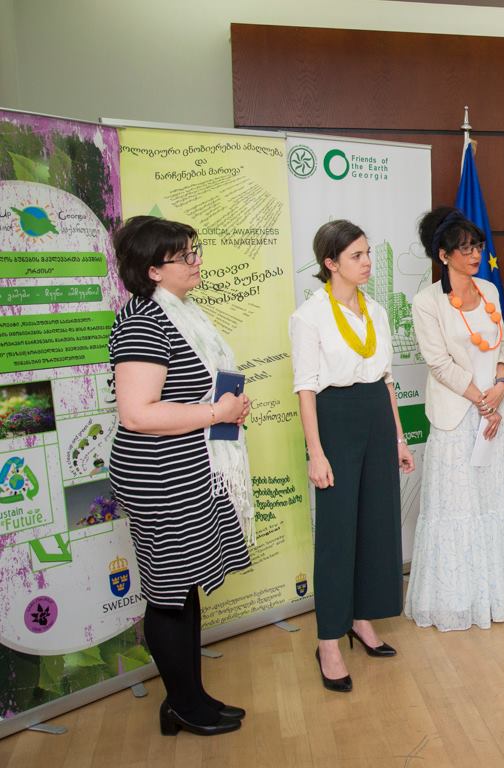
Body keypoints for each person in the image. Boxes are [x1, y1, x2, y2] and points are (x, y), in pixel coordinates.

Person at [108, 215, 253, 736]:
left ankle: (189, 697)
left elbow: (192, 392)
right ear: (153, 270)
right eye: (184, 255)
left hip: (191, 468)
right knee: (169, 594)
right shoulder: (143, 322)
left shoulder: (182, 314)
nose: (197, 261)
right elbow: (137, 414)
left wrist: (228, 408)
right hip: (160, 475)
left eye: (195, 250)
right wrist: (216, 412)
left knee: (184, 588)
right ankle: (184, 706)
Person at [289, 219, 415, 692]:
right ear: (330, 263)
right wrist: (316, 453)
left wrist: (399, 439)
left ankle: (362, 619)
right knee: (338, 533)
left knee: (377, 524)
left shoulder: (376, 310)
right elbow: (305, 389)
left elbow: (386, 380)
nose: (367, 263)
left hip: (376, 417)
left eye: (368, 253)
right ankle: (328, 640)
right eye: (356, 256)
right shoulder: (309, 316)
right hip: (336, 418)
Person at [404, 207, 504, 630]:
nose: (475, 254)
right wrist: (481, 401)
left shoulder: (489, 289)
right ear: (443, 255)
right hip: (458, 418)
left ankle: (499, 594)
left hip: (497, 413)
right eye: (464, 248)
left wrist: (499, 386)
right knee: (460, 507)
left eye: (477, 246)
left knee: (498, 502)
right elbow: (438, 362)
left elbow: (503, 345)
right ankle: (459, 601)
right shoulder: (427, 302)